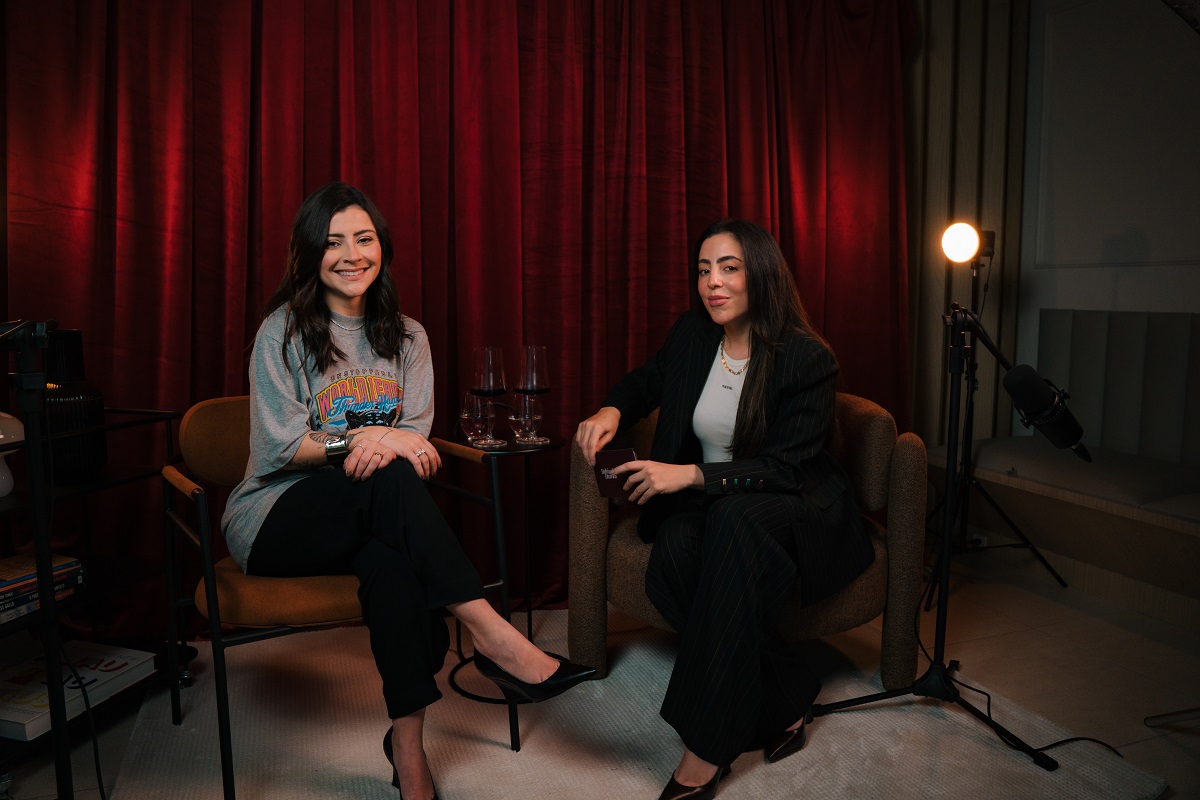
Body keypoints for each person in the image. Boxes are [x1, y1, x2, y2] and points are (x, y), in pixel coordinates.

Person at [222, 181, 594, 800]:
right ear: (310, 254)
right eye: (333, 242)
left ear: (383, 248)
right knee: (387, 479)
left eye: (364, 239)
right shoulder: (281, 332)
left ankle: (408, 748)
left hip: (372, 512)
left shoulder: (409, 338)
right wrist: (368, 438)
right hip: (275, 516)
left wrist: (388, 443)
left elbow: (415, 445)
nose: (351, 254)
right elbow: (279, 448)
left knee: (391, 563)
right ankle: (493, 635)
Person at [575, 218, 875, 799]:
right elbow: (645, 381)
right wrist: (612, 409)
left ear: (760, 274)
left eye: (729, 268)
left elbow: (785, 470)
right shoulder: (693, 334)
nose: (713, 282)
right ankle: (787, 698)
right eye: (704, 270)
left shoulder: (805, 357)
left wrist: (690, 474)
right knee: (675, 549)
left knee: (734, 519)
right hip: (716, 500)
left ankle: (705, 749)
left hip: (792, 504)